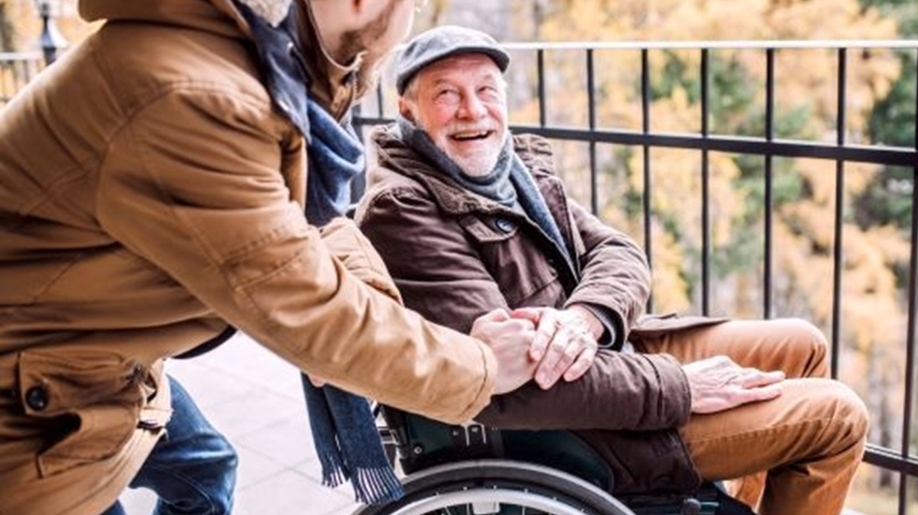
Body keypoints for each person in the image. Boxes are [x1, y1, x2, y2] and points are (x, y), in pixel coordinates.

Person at [0, 2, 543, 514]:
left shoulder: (256, 61)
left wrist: (371, 311)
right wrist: (481, 368)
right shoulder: (193, 96)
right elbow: (306, 309)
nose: (408, 19)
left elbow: (311, 221)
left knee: (206, 469)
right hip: (32, 395)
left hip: (96, 352)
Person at [355, 25, 871, 515]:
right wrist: (681, 388)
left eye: (486, 89)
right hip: (578, 430)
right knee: (838, 416)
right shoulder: (403, 208)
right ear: (407, 108)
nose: (473, 110)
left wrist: (584, 318)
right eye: (447, 93)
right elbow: (506, 386)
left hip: (605, 357)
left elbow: (618, 252)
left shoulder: (507, 170)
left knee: (801, 343)